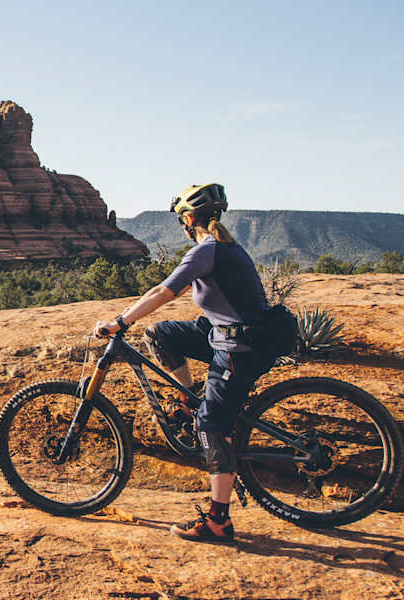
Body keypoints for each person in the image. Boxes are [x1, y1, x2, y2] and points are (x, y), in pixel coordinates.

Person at [92, 182, 274, 543]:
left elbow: (163, 291)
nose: (183, 228)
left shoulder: (208, 251)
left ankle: (218, 522)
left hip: (241, 347)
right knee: (162, 334)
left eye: (182, 221)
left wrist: (121, 321)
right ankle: (190, 398)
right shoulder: (224, 246)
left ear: (190, 219)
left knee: (212, 425)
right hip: (225, 334)